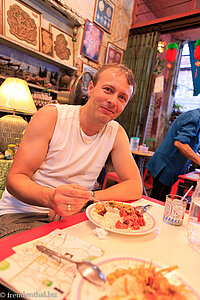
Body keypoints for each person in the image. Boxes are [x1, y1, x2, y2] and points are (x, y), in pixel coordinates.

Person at [0, 64, 142, 238]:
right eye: (107, 90)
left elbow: (135, 186)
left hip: (73, 216)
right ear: (91, 88)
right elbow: (14, 179)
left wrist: (87, 198)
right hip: (23, 215)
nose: (113, 101)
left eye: (122, 97)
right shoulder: (52, 116)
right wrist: (51, 198)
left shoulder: (116, 133)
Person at [146, 108, 200, 202]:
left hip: (170, 168)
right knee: (158, 202)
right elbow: (180, 144)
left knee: (160, 200)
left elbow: (190, 144)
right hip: (165, 167)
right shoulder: (195, 117)